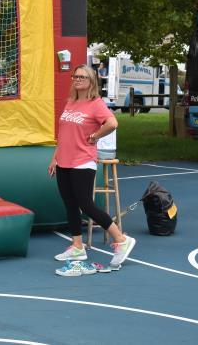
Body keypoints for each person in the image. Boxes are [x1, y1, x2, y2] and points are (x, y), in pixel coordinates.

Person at [48, 64, 136, 276]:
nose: (77, 80)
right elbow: (64, 134)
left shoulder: (95, 104)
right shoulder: (71, 102)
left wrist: (96, 136)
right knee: (70, 204)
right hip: (64, 161)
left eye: (82, 77)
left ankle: (121, 240)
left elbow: (112, 123)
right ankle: (77, 247)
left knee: (86, 205)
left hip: (82, 161)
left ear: (91, 81)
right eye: (75, 76)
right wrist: (55, 158)